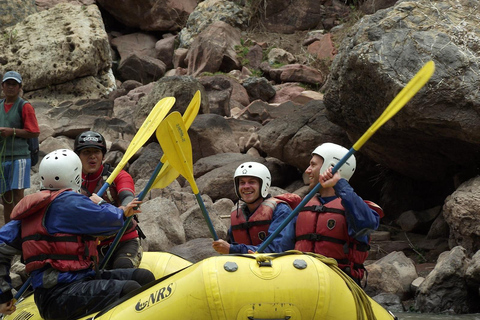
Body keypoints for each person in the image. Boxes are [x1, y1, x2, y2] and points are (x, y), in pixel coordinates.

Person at [0, 149, 154, 319]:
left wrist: (3, 295)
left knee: (142, 277)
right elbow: (111, 223)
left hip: (69, 287)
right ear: (75, 175)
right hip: (60, 295)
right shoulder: (70, 201)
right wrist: (104, 204)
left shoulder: (31, 211)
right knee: (130, 288)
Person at [295, 143, 383, 284]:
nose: (307, 170)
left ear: (329, 168)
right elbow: (282, 245)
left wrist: (339, 183)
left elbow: (367, 224)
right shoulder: (304, 205)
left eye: (313, 165)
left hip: (339, 282)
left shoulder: (354, 208)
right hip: (303, 279)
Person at [74, 130, 142, 269]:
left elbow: (127, 198)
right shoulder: (72, 182)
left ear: (103, 155)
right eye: (86, 152)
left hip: (124, 240)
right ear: (78, 156)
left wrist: (119, 208)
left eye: (96, 152)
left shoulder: (118, 176)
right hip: (93, 247)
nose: (92, 157)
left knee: (122, 267)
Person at [212, 162, 299, 254]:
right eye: (242, 183)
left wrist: (233, 249)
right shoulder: (238, 214)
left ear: (264, 185)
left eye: (251, 182)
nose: (246, 187)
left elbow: (277, 249)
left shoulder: (281, 210)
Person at [0, 71, 40, 224]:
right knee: (5, 197)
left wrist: (12, 132)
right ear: (3, 86)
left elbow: (34, 131)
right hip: (2, 158)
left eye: (14, 84)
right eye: (8, 84)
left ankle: (20, 229)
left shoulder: (25, 106)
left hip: (20, 158)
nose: (10, 87)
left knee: (18, 195)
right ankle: (8, 231)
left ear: (19, 87)